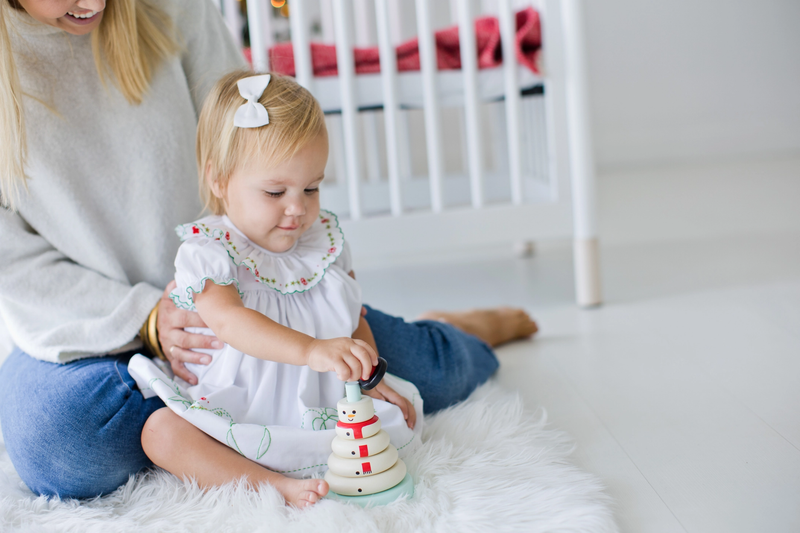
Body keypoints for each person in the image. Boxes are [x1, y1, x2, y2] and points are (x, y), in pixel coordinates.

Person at [0, 0, 537, 504]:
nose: (95, 3)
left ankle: (450, 330)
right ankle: (230, 443)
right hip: (89, 323)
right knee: (61, 446)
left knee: (425, 378)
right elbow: (15, 267)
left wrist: (351, 362)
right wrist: (148, 318)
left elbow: (258, 145)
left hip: (261, 301)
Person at [129, 70, 424, 507]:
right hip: (240, 406)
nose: (297, 207)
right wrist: (310, 350)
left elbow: (352, 317)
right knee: (160, 433)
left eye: (312, 187)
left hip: (321, 401)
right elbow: (230, 322)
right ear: (219, 180)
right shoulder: (210, 251)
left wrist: (368, 373)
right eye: (274, 192)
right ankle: (270, 484)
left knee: (405, 404)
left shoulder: (323, 242)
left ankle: (467, 331)